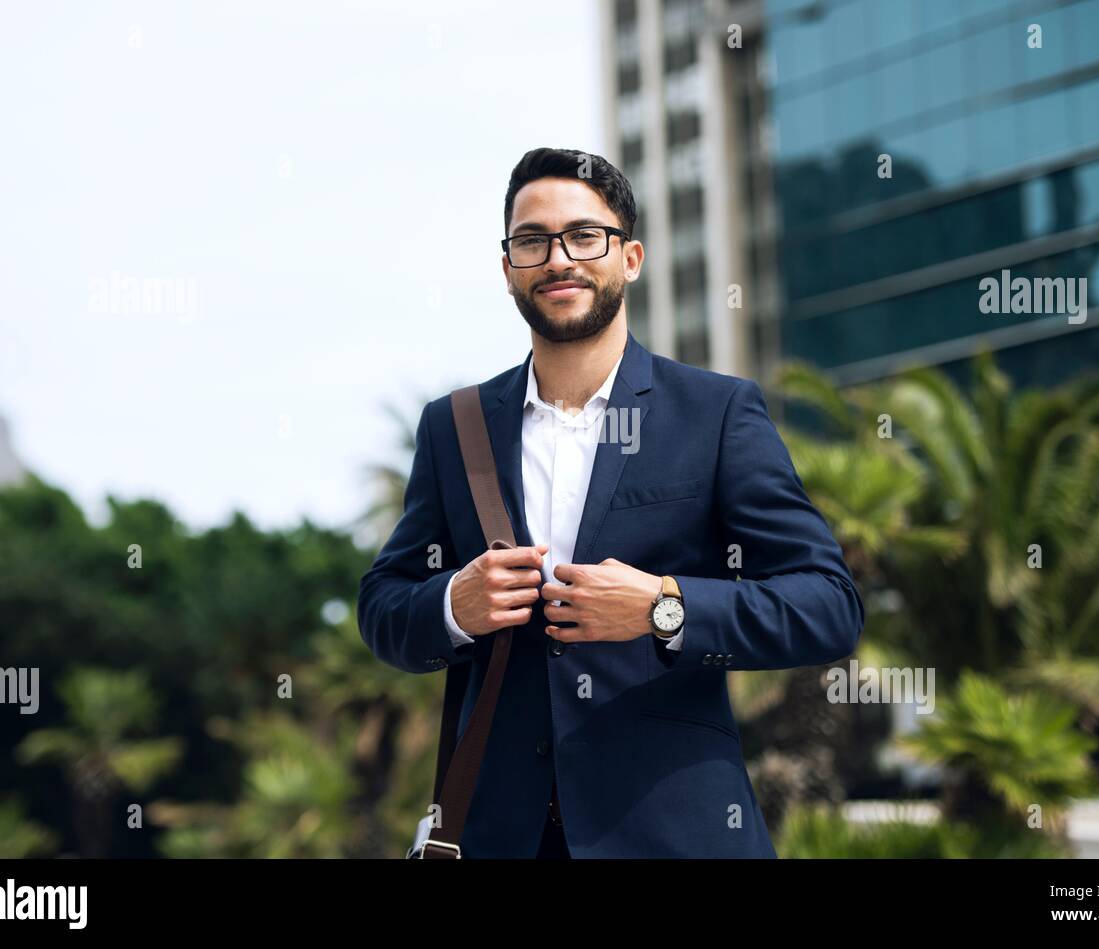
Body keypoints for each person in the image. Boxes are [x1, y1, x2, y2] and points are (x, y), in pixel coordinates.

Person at [358, 147, 864, 858]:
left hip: (674, 835)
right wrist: (452, 605)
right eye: (532, 240)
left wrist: (666, 605)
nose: (559, 257)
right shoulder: (456, 425)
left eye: (584, 236)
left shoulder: (716, 413)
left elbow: (829, 605)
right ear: (508, 268)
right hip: (500, 837)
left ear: (629, 257)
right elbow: (382, 604)